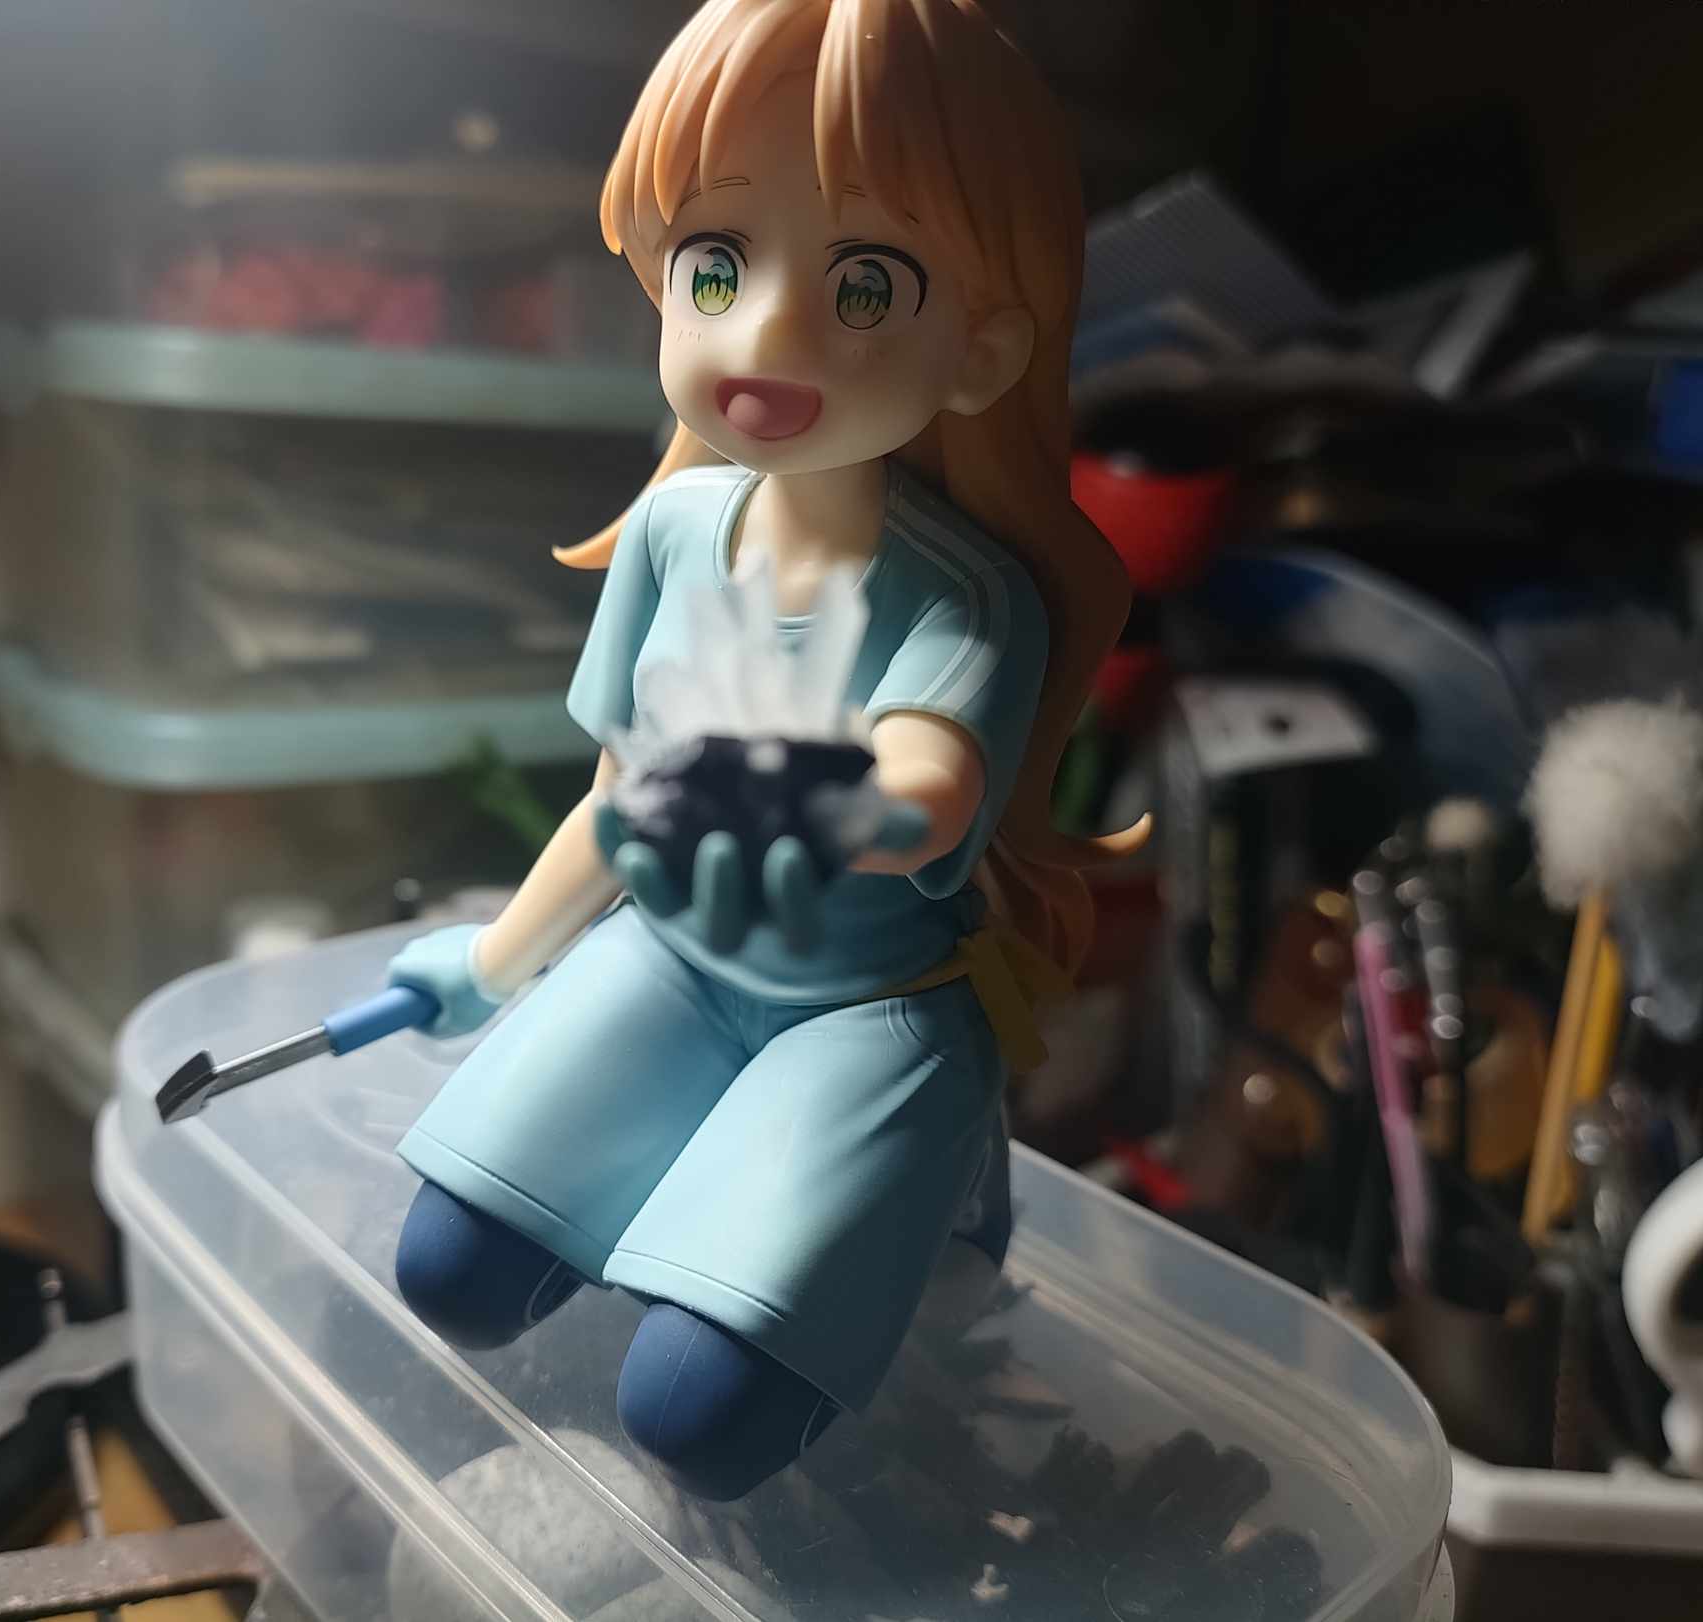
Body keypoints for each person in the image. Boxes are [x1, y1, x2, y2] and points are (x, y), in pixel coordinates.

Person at [384, 0, 1144, 1501]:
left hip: (865, 1009)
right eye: (718, 265)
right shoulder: (674, 532)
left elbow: (928, 795)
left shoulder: (965, 599)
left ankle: (927, 1196)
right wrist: (494, 958)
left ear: (982, 349)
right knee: (455, 1267)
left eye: (867, 286)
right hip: (676, 960)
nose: (769, 334)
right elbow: (620, 793)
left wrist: (794, 797)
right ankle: (715, 1188)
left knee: (696, 1412)